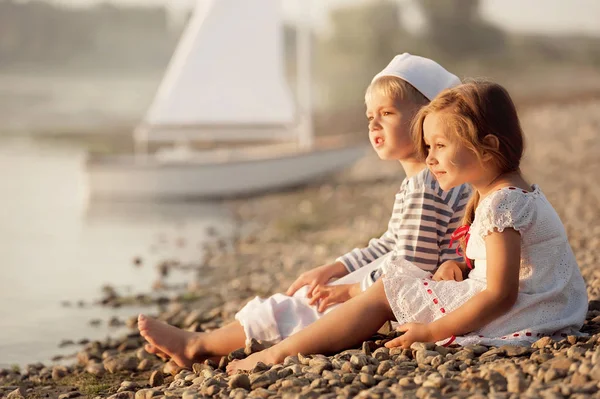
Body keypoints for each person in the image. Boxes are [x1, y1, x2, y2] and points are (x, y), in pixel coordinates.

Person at [226, 80, 588, 373]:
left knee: (388, 291)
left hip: (527, 310)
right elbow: (508, 265)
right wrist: (457, 265)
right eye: (427, 146)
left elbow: (500, 294)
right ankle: (292, 342)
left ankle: (280, 353)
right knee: (393, 290)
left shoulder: (503, 203)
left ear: (487, 147)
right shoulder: (506, 194)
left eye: (440, 146)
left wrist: (431, 332)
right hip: (548, 302)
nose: (429, 158)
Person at [138, 54, 471, 368]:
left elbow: (411, 267)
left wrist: (350, 289)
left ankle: (199, 345)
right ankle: (211, 345)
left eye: (387, 114)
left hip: (413, 295)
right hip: (404, 284)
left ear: (428, 119)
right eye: (370, 116)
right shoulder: (424, 180)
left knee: (307, 305)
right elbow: (391, 243)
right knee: (313, 294)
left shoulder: (427, 186)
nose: (374, 125)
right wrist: (335, 268)